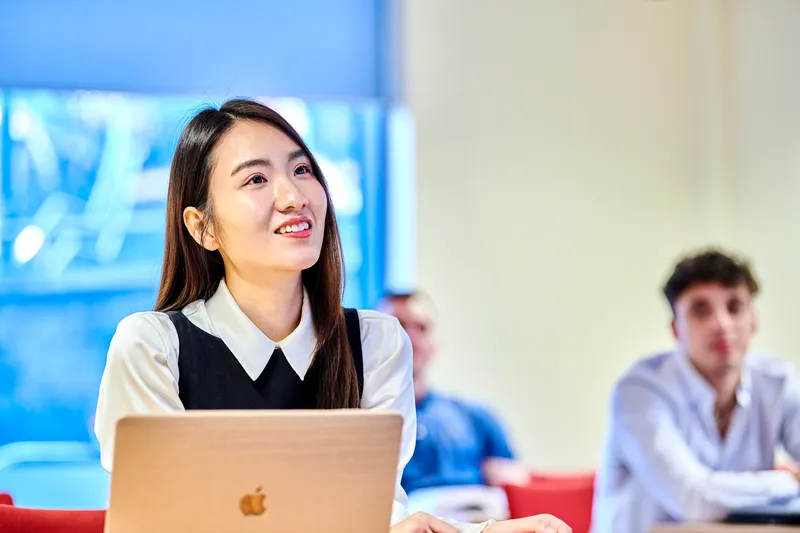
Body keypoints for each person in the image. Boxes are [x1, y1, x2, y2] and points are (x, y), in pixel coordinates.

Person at [93, 99, 570, 533]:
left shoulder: (377, 342)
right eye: (257, 179)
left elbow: (376, 517)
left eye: (302, 170)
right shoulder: (152, 346)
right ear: (203, 227)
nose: (294, 196)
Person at [592, 249, 800, 533]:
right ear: (676, 329)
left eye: (735, 307)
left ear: (753, 320)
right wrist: (789, 480)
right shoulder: (639, 392)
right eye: (701, 311)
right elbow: (691, 500)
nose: (722, 325)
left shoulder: (778, 383)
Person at [379, 292, 528, 497]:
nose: (411, 339)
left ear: (434, 344)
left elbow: (518, 479)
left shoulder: (477, 417)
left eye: (422, 328)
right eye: (399, 326)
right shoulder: (359, 422)